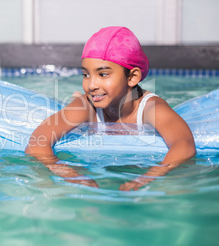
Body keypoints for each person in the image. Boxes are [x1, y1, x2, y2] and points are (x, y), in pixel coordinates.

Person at [25, 26, 196, 191]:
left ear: (132, 77)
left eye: (103, 74)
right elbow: (37, 142)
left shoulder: (150, 108)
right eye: (86, 74)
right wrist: (70, 174)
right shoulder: (87, 105)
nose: (91, 85)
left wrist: (147, 178)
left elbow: (184, 145)